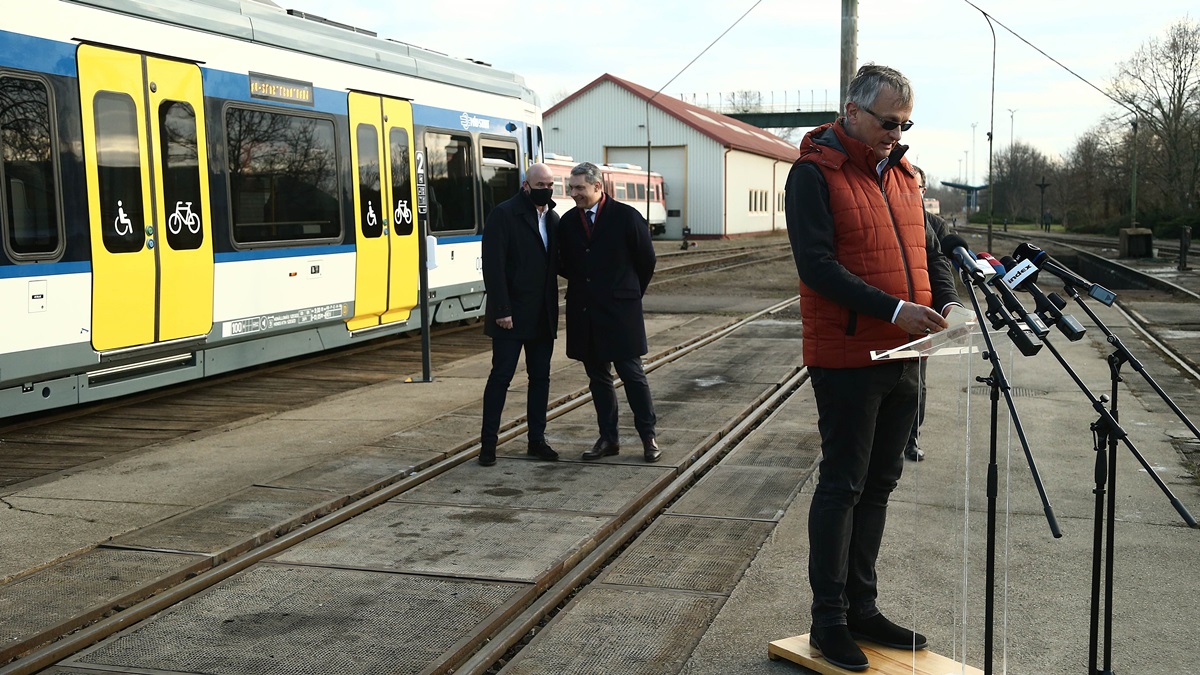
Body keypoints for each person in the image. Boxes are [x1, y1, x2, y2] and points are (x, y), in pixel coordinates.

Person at [784, 64, 960, 672]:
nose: (897, 132)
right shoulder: (813, 174)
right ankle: (828, 619)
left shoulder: (905, 175)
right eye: (889, 122)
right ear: (852, 110)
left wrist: (948, 304)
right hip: (849, 357)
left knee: (880, 483)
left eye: (906, 123)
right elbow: (816, 266)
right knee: (844, 484)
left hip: (907, 354)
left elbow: (929, 251)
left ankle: (863, 607)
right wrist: (893, 308)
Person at [558, 162, 661, 463]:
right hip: (586, 311)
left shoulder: (626, 217)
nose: (573, 193)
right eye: (571, 187)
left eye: (579, 188)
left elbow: (647, 261)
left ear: (597, 187)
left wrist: (627, 294)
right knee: (598, 377)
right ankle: (608, 438)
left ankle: (648, 436)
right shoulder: (567, 222)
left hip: (621, 312)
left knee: (632, 374)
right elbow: (565, 264)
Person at [478, 162, 561, 466]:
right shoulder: (504, 214)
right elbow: (493, 265)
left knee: (541, 379)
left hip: (542, 315)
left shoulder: (552, 218)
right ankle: (488, 445)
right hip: (510, 316)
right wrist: (501, 309)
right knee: (501, 378)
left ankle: (536, 440)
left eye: (550, 185)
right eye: (541, 185)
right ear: (526, 185)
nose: (546, 190)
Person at [904, 165, 958, 462]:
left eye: (918, 187)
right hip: (894, 313)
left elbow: (942, 268)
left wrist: (948, 304)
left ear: (923, 191)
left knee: (917, 384)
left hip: (923, 319)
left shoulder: (935, 225)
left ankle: (912, 439)